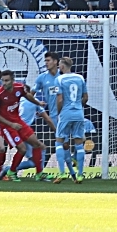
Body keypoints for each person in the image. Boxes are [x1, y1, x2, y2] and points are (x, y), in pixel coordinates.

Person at [0, 69, 46, 181]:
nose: (4, 83)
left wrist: (38, 103)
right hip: (6, 126)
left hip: (18, 121)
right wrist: (11, 124)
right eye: (3, 80)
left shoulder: (19, 88)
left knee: (38, 144)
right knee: (22, 149)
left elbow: (28, 96)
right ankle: (11, 172)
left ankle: (39, 174)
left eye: (7, 80)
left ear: (12, 80)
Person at [55, 56, 89, 184]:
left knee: (59, 142)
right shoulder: (80, 78)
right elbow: (86, 97)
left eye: (59, 65)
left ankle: (62, 172)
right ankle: (80, 175)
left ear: (62, 66)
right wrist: (79, 106)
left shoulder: (59, 79)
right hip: (79, 113)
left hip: (66, 113)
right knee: (79, 144)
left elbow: (59, 99)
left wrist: (59, 112)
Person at [34, 52, 67, 180]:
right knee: (60, 143)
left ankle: (70, 171)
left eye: (48, 60)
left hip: (67, 115)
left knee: (69, 142)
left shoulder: (64, 77)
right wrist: (37, 105)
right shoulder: (42, 78)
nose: (46, 63)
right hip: (54, 116)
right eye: (45, 60)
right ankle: (64, 172)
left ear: (55, 62)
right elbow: (30, 94)